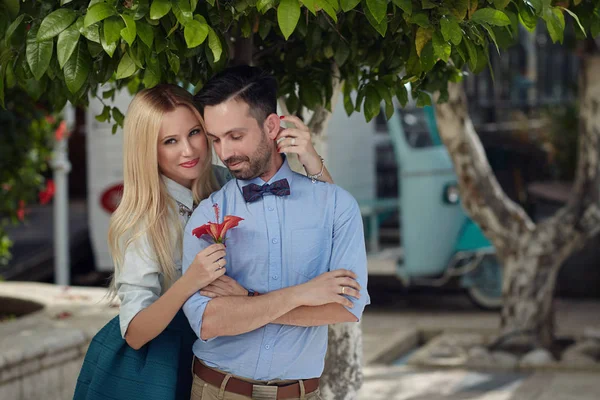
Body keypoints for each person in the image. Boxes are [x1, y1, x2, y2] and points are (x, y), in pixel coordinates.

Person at [73, 84, 338, 400]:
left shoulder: (230, 180)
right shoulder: (145, 221)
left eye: (194, 133)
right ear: (148, 150)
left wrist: (308, 157)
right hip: (166, 365)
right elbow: (134, 333)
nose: (189, 150)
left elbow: (324, 218)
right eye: (170, 141)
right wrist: (190, 282)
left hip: (239, 354)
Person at [183, 65, 370, 400]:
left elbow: (345, 308)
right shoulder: (209, 214)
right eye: (216, 140)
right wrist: (302, 294)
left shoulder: (335, 205)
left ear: (272, 126)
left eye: (236, 136)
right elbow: (210, 321)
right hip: (216, 390)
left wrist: (248, 302)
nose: (224, 153)